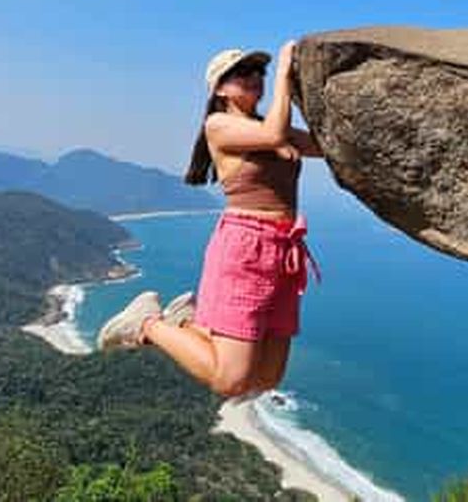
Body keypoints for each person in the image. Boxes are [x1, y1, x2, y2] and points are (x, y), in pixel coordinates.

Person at [97, 40, 323, 398]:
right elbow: (274, 136)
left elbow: (324, 146)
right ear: (219, 88)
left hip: (284, 250)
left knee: (266, 379)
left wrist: (309, 91)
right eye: (240, 73)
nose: (253, 77)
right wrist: (283, 72)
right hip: (246, 246)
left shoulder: (268, 124)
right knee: (229, 381)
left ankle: (185, 320)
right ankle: (147, 322)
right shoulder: (219, 125)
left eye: (258, 72)